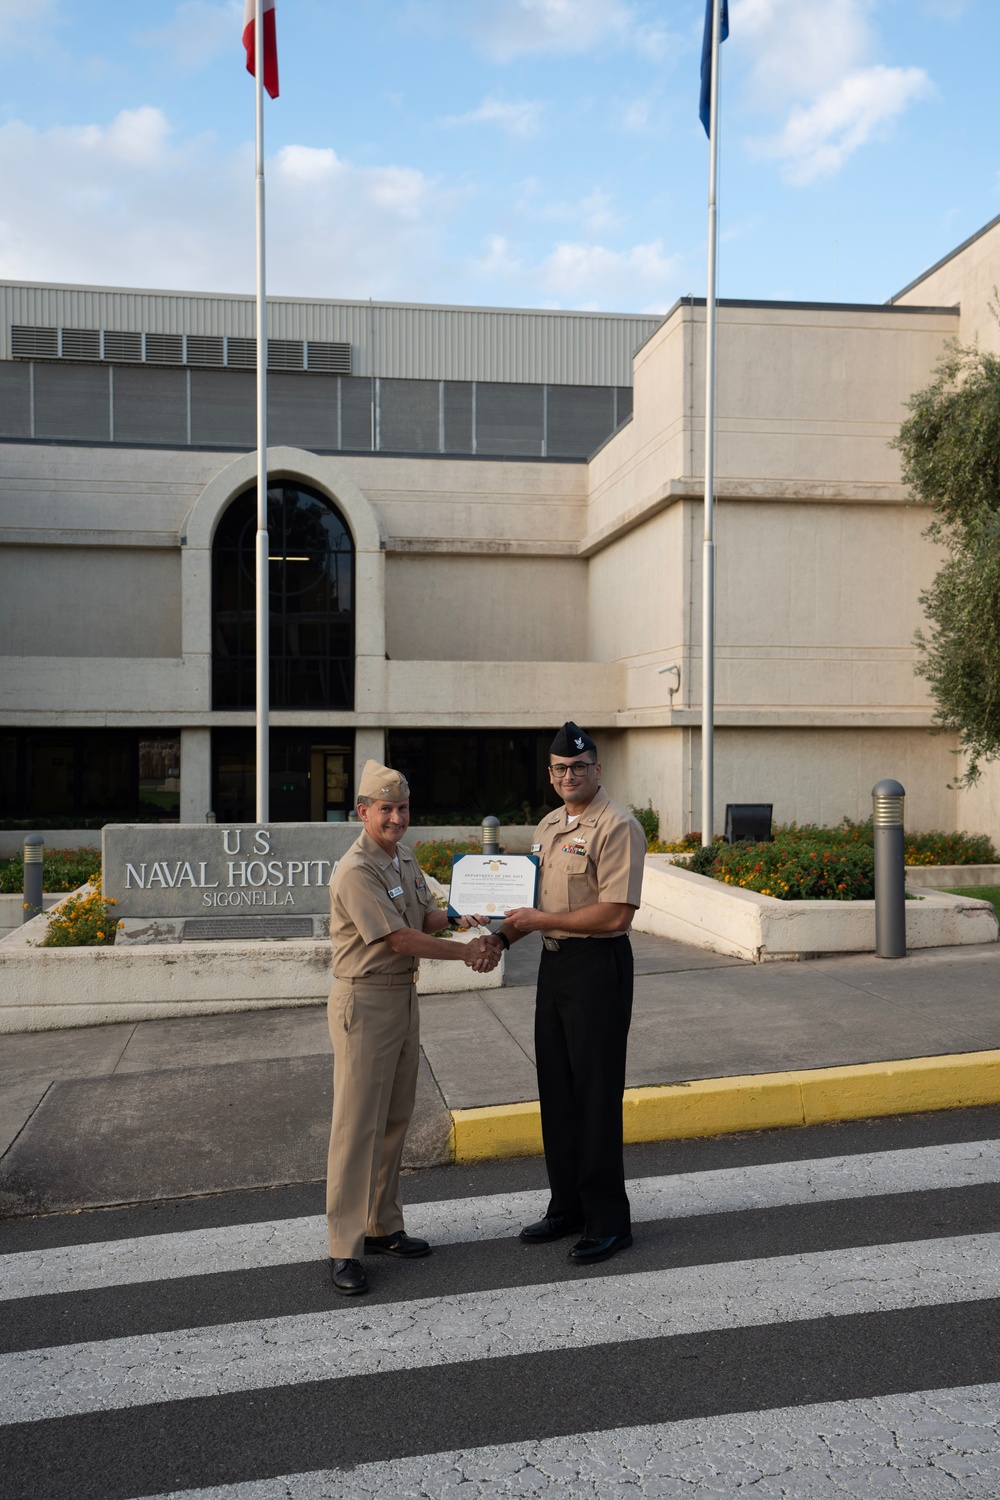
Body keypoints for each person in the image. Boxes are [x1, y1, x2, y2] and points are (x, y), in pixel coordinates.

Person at [326, 759, 497, 1296]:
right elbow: (397, 939)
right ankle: (344, 1247)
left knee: (394, 1119)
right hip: (365, 1001)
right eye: (386, 809)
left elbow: (423, 919)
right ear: (363, 811)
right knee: (357, 1127)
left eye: (402, 808)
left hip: (401, 999)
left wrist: (461, 914)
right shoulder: (356, 869)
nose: (396, 817)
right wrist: (465, 952)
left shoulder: (403, 857)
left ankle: (381, 1225)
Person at [482, 723, 645, 1265]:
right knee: (556, 1089)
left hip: (596, 966)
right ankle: (567, 1206)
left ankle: (608, 1221)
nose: (568, 775)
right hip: (552, 967)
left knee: (595, 1095)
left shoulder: (617, 826)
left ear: (597, 770)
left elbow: (616, 912)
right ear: (550, 775)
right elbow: (529, 899)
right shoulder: (550, 824)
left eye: (578, 767)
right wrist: (502, 936)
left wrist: (539, 919)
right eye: (559, 768)